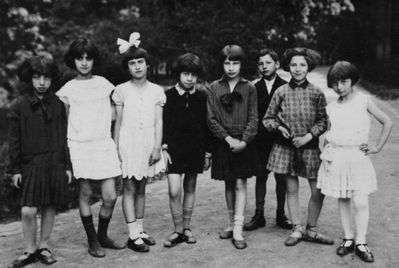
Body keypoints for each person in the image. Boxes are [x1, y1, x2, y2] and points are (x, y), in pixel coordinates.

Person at [317, 61, 393, 263]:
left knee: (360, 200)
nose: (339, 86)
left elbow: (387, 121)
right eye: (335, 83)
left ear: (353, 81)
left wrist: (376, 147)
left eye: (344, 81)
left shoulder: (363, 101)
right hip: (338, 157)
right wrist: (323, 145)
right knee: (343, 197)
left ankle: (361, 241)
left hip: (357, 157)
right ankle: (348, 237)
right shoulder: (331, 107)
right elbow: (327, 132)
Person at [56, 37, 125, 258]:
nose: (84, 63)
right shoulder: (68, 90)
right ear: (73, 60)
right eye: (79, 58)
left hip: (103, 144)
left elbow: (119, 110)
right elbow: (65, 122)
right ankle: (92, 240)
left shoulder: (105, 85)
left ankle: (103, 235)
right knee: (85, 193)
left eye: (88, 58)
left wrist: (115, 141)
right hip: (80, 147)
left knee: (110, 196)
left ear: (94, 60)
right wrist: (67, 152)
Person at [263, 47, 333, 247]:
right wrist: (279, 128)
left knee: (318, 190)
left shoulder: (316, 92)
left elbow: (323, 121)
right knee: (291, 189)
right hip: (286, 148)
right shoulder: (281, 91)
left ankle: (311, 229)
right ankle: (297, 229)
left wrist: (309, 136)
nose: (298, 69)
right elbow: (267, 119)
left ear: (308, 67)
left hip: (309, 147)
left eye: (302, 65)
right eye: (293, 65)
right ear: (288, 67)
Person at [7, 56, 72, 267]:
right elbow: (14, 140)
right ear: (30, 79)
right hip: (30, 163)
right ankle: (29, 248)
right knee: (28, 210)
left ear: (52, 79)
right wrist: (15, 168)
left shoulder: (59, 105)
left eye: (46, 77)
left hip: (54, 161)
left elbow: (65, 136)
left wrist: (68, 165)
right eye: (37, 77)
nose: (42, 82)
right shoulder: (19, 105)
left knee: (50, 205)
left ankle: (44, 246)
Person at [113, 32, 166, 253]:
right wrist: (115, 148)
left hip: (147, 142)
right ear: (127, 67)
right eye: (132, 63)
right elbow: (117, 123)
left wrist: (156, 146)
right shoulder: (121, 90)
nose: (137, 67)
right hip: (128, 141)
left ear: (147, 65)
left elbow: (159, 121)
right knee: (129, 187)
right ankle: (133, 234)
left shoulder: (156, 91)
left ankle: (141, 230)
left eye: (140, 62)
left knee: (142, 187)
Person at [207, 44, 258, 250]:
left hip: (243, 142)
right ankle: (231, 223)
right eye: (227, 63)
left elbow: (254, 118)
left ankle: (238, 229)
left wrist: (244, 141)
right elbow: (210, 119)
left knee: (240, 184)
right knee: (228, 183)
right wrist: (228, 139)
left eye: (235, 63)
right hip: (224, 141)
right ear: (222, 64)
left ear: (241, 64)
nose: (230, 67)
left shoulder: (250, 87)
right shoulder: (213, 87)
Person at [162, 53, 211, 248]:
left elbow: (206, 126)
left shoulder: (201, 97)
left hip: (195, 149)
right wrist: (163, 147)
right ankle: (177, 229)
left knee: (190, 187)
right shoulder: (168, 97)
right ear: (178, 74)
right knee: (174, 190)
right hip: (173, 150)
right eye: (185, 74)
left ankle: (186, 228)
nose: (189, 78)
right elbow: (162, 124)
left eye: (193, 74)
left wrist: (207, 152)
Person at [244, 48, 291, 231]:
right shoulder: (254, 88)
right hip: (260, 141)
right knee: (260, 177)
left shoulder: (286, 86)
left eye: (268, 63)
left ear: (277, 64)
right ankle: (259, 214)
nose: (264, 67)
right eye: (261, 64)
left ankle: (281, 214)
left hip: (280, 140)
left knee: (282, 178)